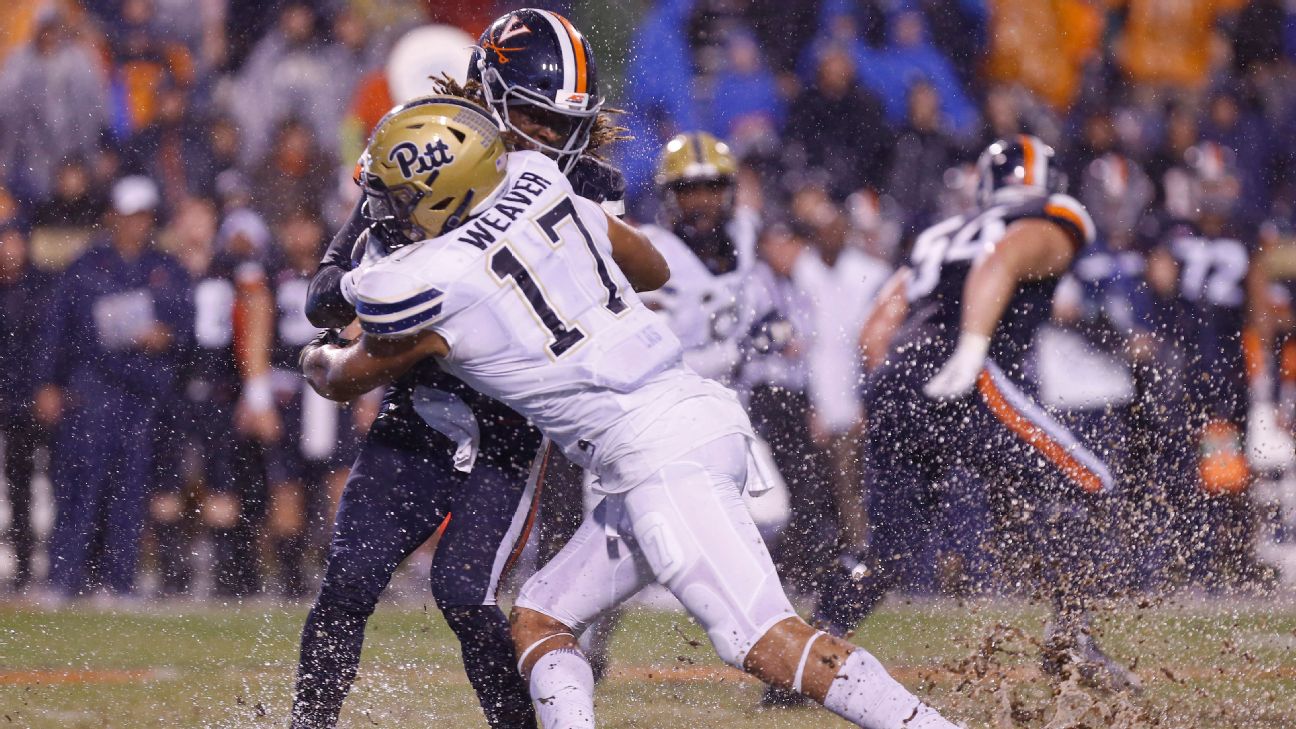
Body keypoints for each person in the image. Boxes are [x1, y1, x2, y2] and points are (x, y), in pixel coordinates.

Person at [303, 95, 960, 729]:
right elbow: (649, 268)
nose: (387, 212)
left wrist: (315, 361)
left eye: (400, 197)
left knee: (763, 639)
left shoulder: (432, 280)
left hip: (657, 455)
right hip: (693, 413)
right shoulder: (539, 181)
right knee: (540, 615)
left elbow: (343, 375)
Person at [290, 10, 626, 728]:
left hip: (510, 418)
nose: (551, 139)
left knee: (465, 591)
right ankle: (307, 721)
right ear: (492, 95)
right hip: (421, 405)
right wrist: (352, 270)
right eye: (534, 118)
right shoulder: (429, 143)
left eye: (560, 122)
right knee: (349, 576)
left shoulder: (587, 187)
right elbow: (329, 284)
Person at [811, 136, 1139, 691]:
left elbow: (878, 327)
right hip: (963, 371)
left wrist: (889, 395)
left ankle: (805, 652)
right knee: (1092, 482)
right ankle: (1072, 641)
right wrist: (968, 350)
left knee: (887, 554)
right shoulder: (1054, 216)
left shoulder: (941, 233)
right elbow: (1001, 259)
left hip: (898, 378)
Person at [35, 175, 194, 598]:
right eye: (128, 216)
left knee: (130, 492)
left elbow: (186, 325)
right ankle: (64, 580)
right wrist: (46, 383)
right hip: (90, 393)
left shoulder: (166, 269)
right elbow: (58, 328)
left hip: (141, 395)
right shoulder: (85, 267)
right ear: (112, 217)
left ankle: (119, 582)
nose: (136, 224)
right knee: (78, 488)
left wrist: (167, 336)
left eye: (143, 216)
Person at [1146, 142, 1272, 590]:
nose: (1214, 193)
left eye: (1220, 184)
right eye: (1208, 185)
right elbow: (1157, 284)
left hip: (1228, 362)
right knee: (1182, 468)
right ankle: (1188, 564)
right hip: (1185, 362)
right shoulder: (1174, 231)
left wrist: (1263, 371)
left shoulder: (1243, 233)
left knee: (1231, 471)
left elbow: (1259, 305)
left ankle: (1233, 562)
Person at [0, 223, 51, 591]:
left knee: (28, 484)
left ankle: (30, 564)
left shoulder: (42, 286)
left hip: (30, 402)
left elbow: (51, 345)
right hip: (10, 396)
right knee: (16, 486)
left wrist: (43, 388)